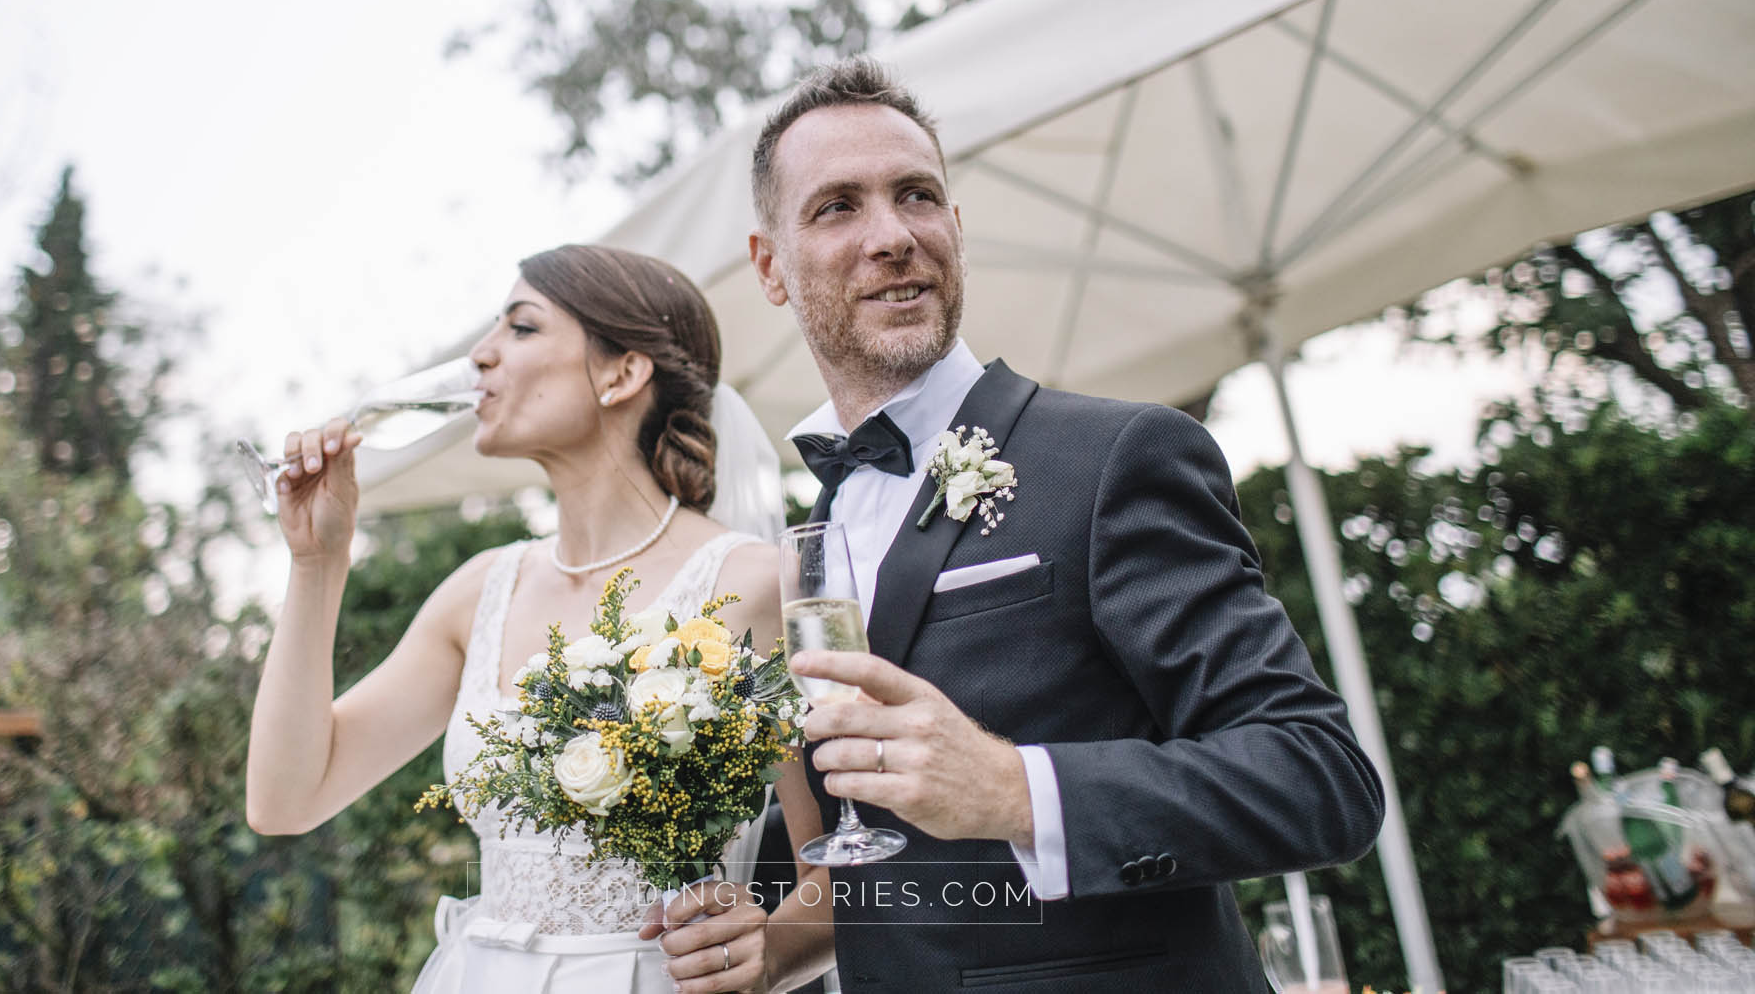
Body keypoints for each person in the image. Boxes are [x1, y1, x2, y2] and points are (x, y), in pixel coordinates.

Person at [745, 58, 1386, 992]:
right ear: (771, 266)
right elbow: (876, 867)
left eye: (916, 195)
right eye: (837, 206)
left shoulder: (1117, 456)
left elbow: (1318, 775)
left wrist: (1016, 791)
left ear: (956, 229)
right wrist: (758, 938)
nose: (892, 235)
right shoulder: (821, 524)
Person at [245, 244, 825, 994]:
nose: (481, 356)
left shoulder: (754, 583)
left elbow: (849, 868)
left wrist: (767, 948)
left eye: (521, 328)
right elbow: (285, 798)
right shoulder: (479, 589)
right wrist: (317, 565)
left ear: (622, 371)